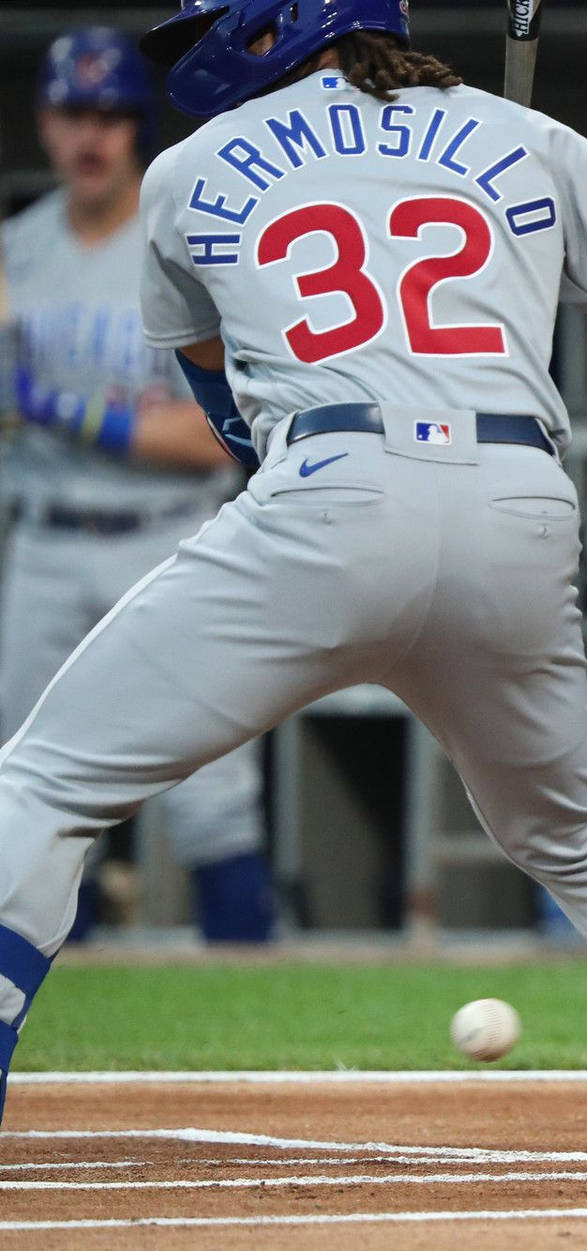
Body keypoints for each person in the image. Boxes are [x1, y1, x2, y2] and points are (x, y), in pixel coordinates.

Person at [0, 0, 587, 1186]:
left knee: (49, 779)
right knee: (574, 830)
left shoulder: (186, 173)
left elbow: (225, 416)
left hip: (326, 496)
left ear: (283, 26)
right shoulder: (521, 138)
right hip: (516, 508)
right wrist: (542, 217)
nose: (199, 50)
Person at [2, 27, 273, 943]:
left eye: (113, 116)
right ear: (45, 121)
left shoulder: (178, 240)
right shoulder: (18, 251)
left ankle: (258, 1018)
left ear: (139, 130)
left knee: (211, 795)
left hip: (166, 539)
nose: (92, 136)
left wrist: (55, 410)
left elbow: (215, 437)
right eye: (75, 113)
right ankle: (55, 1026)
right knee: (30, 794)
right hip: (43, 540)